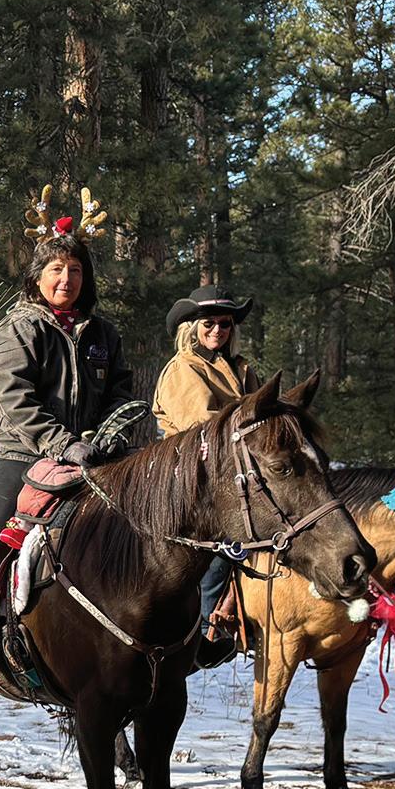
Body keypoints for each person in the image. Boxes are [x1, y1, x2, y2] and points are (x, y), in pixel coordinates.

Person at [0, 201, 138, 690]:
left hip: (93, 456)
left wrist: (110, 432)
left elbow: (120, 390)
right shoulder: (16, 330)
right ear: (37, 277)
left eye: (75, 270)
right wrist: (62, 443)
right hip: (23, 454)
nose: (66, 279)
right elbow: (14, 402)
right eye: (56, 270)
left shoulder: (103, 333)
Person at [153, 284, 259, 665]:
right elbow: (205, 428)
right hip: (194, 474)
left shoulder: (242, 368)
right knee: (219, 545)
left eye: (225, 323)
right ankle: (203, 632)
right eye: (209, 323)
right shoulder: (184, 369)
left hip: (239, 470)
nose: (218, 330)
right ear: (192, 327)